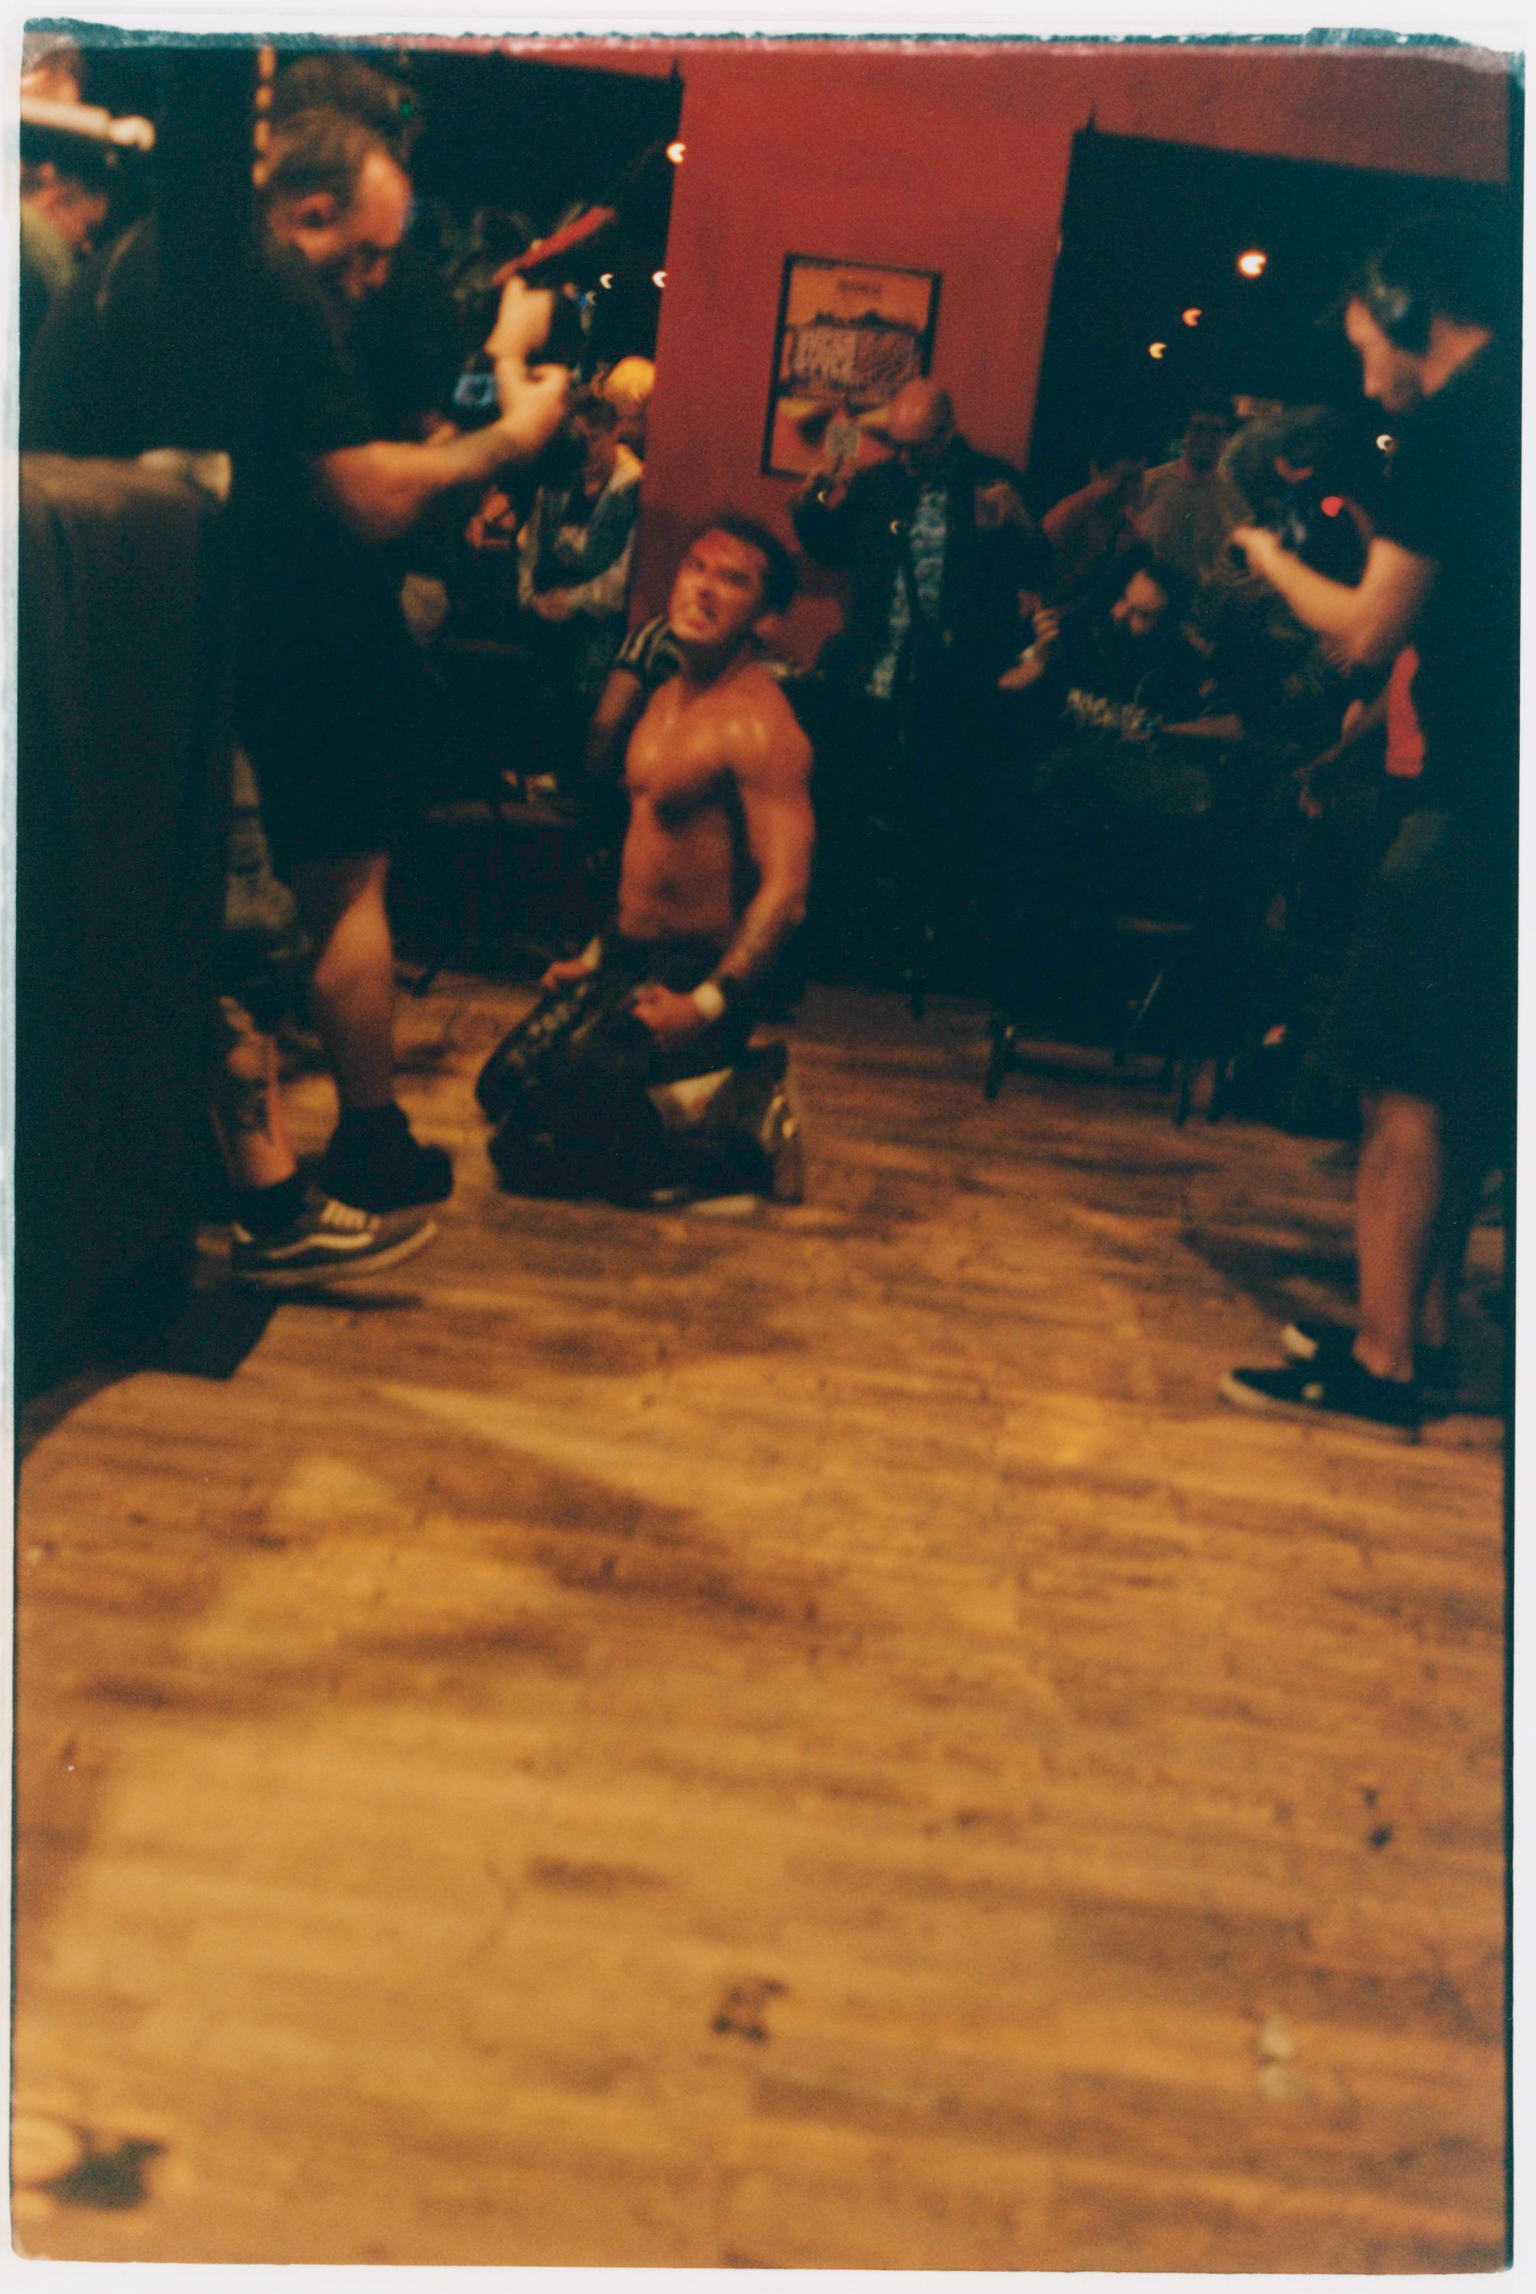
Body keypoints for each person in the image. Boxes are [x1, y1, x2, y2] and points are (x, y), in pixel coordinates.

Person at [23, 105, 571, 1216]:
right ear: (307, 207)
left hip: (116, 607)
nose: (374, 280)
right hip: (245, 606)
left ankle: (241, 1160)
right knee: (319, 885)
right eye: (364, 251)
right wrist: (514, 434)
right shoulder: (264, 278)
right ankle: (340, 1150)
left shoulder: (150, 257)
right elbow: (367, 494)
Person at [1219, 216, 1516, 1439]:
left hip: (1472, 795)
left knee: (1401, 1083)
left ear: (1403, 309)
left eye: (1363, 343)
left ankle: (1386, 1361)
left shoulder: (1457, 421)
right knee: (1469, 1081)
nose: (1363, 375)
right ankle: (1431, 1333)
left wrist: (1265, 561)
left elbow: (1365, 634)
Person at [477, 516, 814, 1205]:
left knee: (526, 1153)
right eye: (696, 567)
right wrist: (595, 958)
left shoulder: (760, 724)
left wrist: (706, 1005)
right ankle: (695, 1096)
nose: (703, 589)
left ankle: (746, 1143)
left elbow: (786, 893)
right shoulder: (663, 698)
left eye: (733, 580)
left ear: (768, 621)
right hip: (628, 959)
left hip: (696, 973)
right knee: (501, 1087)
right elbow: (650, 861)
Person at [790, 376, 1040, 983]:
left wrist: (1018, 525)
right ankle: (848, 944)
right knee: (850, 803)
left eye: (918, 447)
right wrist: (810, 505)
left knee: (938, 813)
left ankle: (920, 954)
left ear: (948, 434)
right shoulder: (879, 484)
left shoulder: (989, 480)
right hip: (874, 671)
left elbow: (1038, 569)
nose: (906, 459)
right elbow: (830, 549)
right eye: (896, 445)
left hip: (953, 683)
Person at [1135, 402, 1250, 592]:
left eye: (1215, 431)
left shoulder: (1236, 499)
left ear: (1227, 439)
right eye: (1199, 428)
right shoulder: (1148, 484)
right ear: (1185, 434)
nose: (1205, 438)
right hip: (1143, 600)